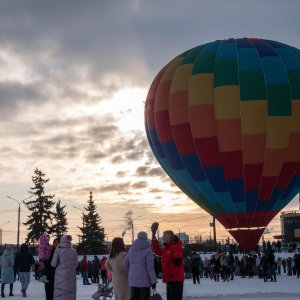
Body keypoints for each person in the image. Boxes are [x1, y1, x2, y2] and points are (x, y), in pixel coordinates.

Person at [151, 223, 184, 300]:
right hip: (169, 279)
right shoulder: (167, 248)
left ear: (169, 237)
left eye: (164, 237)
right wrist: (153, 236)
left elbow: (177, 261)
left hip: (175, 279)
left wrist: (170, 272)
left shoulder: (176, 246)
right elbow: (158, 251)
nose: (163, 239)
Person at [123, 231, 157, 300]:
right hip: (145, 282)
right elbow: (150, 268)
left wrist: (133, 269)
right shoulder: (148, 251)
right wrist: (153, 281)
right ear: (146, 238)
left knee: (134, 298)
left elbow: (125, 264)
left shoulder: (131, 250)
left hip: (133, 280)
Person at [51, 235, 78, 300]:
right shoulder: (73, 251)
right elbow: (76, 265)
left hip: (60, 276)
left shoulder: (58, 251)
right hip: (71, 275)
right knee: (70, 294)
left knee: (60, 294)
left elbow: (53, 264)